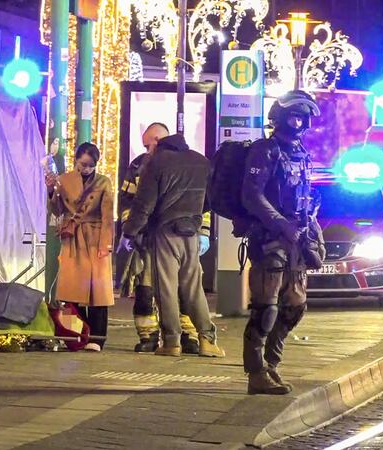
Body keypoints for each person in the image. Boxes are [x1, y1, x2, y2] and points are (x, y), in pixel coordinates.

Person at [240, 90, 325, 395]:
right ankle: (256, 372)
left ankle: (271, 365)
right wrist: (279, 224)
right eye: (294, 116)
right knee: (266, 309)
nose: (300, 122)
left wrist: (309, 223)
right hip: (270, 240)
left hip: (298, 240)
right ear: (280, 117)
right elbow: (251, 195)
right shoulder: (265, 150)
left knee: (296, 307)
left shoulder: (301, 151)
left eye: (304, 117)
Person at [118, 131, 225, 358]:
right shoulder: (201, 161)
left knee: (165, 289)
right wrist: (195, 216)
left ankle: (171, 342)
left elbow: (143, 205)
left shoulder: (156, 163)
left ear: (158, 145)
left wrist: (128, 233)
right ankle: (207, 339)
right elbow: (211, 199)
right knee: (193, 288)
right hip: (191, 232)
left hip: (164, 232)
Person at [45, 142, 114, 351]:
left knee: (98, 292)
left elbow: (107, 215)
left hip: (94, 237)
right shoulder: (64, 180)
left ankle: (97, 338)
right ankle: (76, 334)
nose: (86, 169)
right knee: (68, 292)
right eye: (83, 164)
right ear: (76, 160)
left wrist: (106, 244)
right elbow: (57, 210)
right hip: (72, 239)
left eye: (91, 165)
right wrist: (50, 190)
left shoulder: (103, 182)